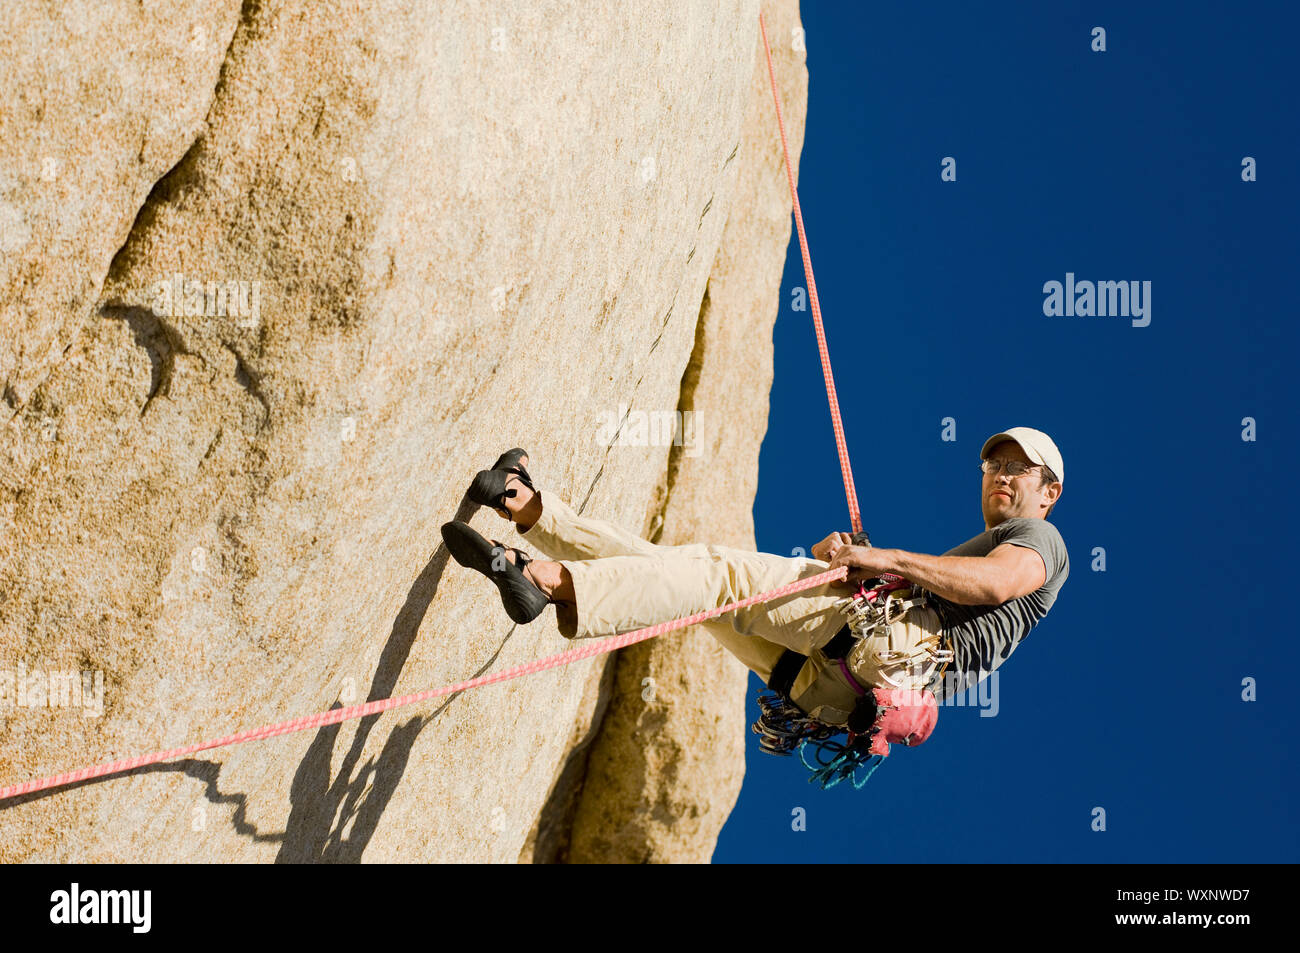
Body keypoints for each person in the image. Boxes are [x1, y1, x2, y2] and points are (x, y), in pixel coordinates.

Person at [440, 427, 1068, 726]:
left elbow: (993, 585)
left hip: (888, 647)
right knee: (688, 584)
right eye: (992, 463)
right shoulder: (984, 550)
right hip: (837, 696)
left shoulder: (1042, 540)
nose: (1000, 473)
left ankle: (542, 578)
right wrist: (859, 560)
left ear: (1050, 492)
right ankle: (525, 504)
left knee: (715, 573)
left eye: (1018, 467)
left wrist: (890, 562)